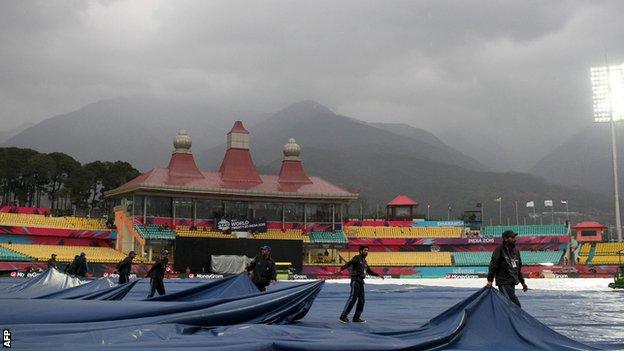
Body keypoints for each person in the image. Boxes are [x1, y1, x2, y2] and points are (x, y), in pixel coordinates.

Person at [338, 245, 384, 324]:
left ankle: (356, 318)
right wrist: (342, 268)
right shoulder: (357, 258)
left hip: (361, 282)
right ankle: (343, 317)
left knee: (362, 300)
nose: (366, 252)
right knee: (353, 299)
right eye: (365, 250)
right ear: (360, 251)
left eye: (367, 250)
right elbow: (350, 263)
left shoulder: (365, 262)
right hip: (355, 280)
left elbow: (369, 271)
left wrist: (378, 275)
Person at [485, 230, 528, 307]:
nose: (515, 239)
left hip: (512, 281)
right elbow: (493, 265)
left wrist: (523, 282)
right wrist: (490, 280)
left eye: (515, 237)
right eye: (512, 237)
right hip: (504, 281)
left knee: (508, 304)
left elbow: (518, 269)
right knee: (515, 305)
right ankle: (516, 319)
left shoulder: (516, 251)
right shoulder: (499, 249)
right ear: (505, 239)